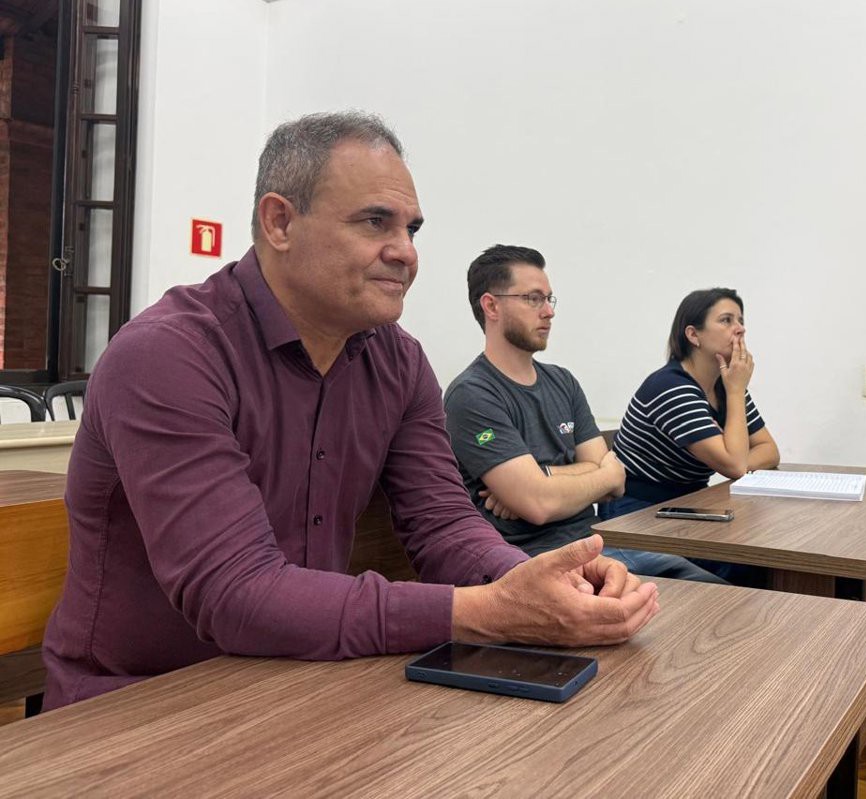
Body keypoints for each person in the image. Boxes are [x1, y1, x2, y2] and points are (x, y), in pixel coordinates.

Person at [41, 112, 658, 710]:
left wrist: (544, 580)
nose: (406, 253)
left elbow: (442, 523)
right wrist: (486, 611)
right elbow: (235, 593)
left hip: (309, 681)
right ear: (280, 222)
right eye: (374, 223)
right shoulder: (168, 355)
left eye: (412, 230)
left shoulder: (398, 362)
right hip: (141, 707)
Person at [443, 245, 723, 583]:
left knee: (718, 590)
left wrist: (544, 478)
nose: (548, 311)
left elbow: (616, 481)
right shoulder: (472, 395)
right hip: (534, 565)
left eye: (549, 299)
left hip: (598, 546)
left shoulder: (563, 381)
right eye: (533, 299)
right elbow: (539, 505)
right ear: (491, 306)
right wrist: (586, 477)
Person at [600, 288, 780, 583]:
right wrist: (736, 392)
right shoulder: (672, 386)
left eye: (740, 319)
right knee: (742, 569)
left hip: (691, 504)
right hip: (636, 512)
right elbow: (734, 466)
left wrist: (735, 454)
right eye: (726, 320)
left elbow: (769, 450)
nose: (740, 328)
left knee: (760, 561)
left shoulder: (725, 386)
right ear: (693, 335)